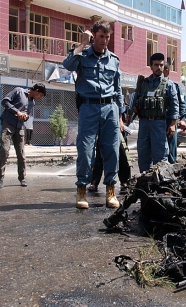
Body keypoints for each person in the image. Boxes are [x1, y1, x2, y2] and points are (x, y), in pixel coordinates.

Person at [63, 20, 123, 209]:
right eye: (101, 36)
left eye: (107, 37)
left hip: (110, 109)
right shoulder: (82, 55)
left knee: (112, 150)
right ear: (93, 36)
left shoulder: (114, 59)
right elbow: (67, 65)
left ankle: (111, 191)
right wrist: (82, 44)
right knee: (86, 150)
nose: (105, 40)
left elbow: (118, 89)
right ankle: (81, 190)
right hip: (88, 108)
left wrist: (120, 116)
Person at [134, 53, 179, 172]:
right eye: (156, 65)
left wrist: (173, 124)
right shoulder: (143, 84)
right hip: (144, 123)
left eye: (161, 65)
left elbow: (175, 105)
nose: (159, 67)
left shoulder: (169, 85)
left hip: (159, 123)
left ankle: (161, 184)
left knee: (160, 155)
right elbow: (136, 101)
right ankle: (145, 182)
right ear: (151, 66)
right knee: (143, 154)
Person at [0, 83, 46, 188]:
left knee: (21, 155)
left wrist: (25, 116)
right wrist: (17, 112)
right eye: (40, 95)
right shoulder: (18, 91)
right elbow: (4, 101)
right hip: (8, 125)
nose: (39, 98)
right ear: (36, 90)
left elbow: (28, 115)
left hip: (19, 127)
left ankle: (22, 178)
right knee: (4, 151)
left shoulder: (32, 102)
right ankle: (0, 178)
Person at [163, 63, 186, 163]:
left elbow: (181, 104)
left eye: (162, 68)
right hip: (156, 121)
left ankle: (171, 168)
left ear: (167, 71)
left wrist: (182, 119)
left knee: (171, 149)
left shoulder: (174, 86)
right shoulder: (151, 84)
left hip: (170, 121)